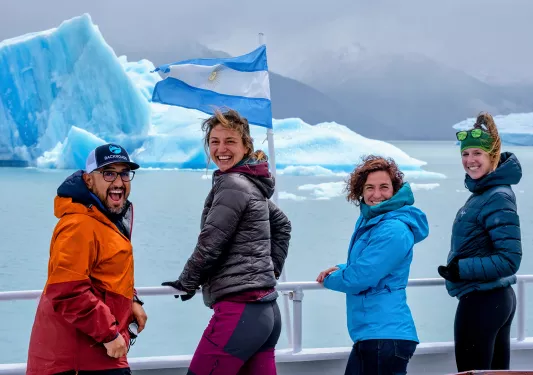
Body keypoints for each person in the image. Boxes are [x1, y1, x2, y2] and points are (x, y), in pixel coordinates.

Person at [162, 109, 291, 375]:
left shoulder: (232, 184)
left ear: (246, 146)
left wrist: (187, 282)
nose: (221, 149)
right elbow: (283, 226)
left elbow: (211, 241)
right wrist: (269, 270)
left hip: (241, 312)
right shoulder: (250, 184)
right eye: (214, 141)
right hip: (266, 311)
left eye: (230, 141)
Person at [26, 144, 147, 375]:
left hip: (97, 355)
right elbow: (67, 291)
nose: (119, 182)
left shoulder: (103, 220)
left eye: (124, 173)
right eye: (109, 173)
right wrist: (109, 334)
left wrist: (133, 300)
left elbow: (104, 275)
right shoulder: (79, 225)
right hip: (76, 361)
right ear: (88, 180)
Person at [317, 155, 429, 375]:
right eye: (370, 187)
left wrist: (330, 279)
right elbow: (371, 265)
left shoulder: (393, 229)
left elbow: (361, 277)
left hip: (385, 335)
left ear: (395, 190)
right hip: (375, 334)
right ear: (360, 190)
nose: (376, 194)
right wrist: (342, 268)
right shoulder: (374, 221)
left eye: (384, 187)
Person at [437, 112, 522, 372]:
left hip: (483, 301)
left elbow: (510, 259)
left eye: (477, 154)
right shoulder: (484, 193)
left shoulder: (496, 196)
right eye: (465, 154)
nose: (470, 161)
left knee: (470, 371)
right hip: (494, 299)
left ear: (493, 156)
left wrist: (461, 269)